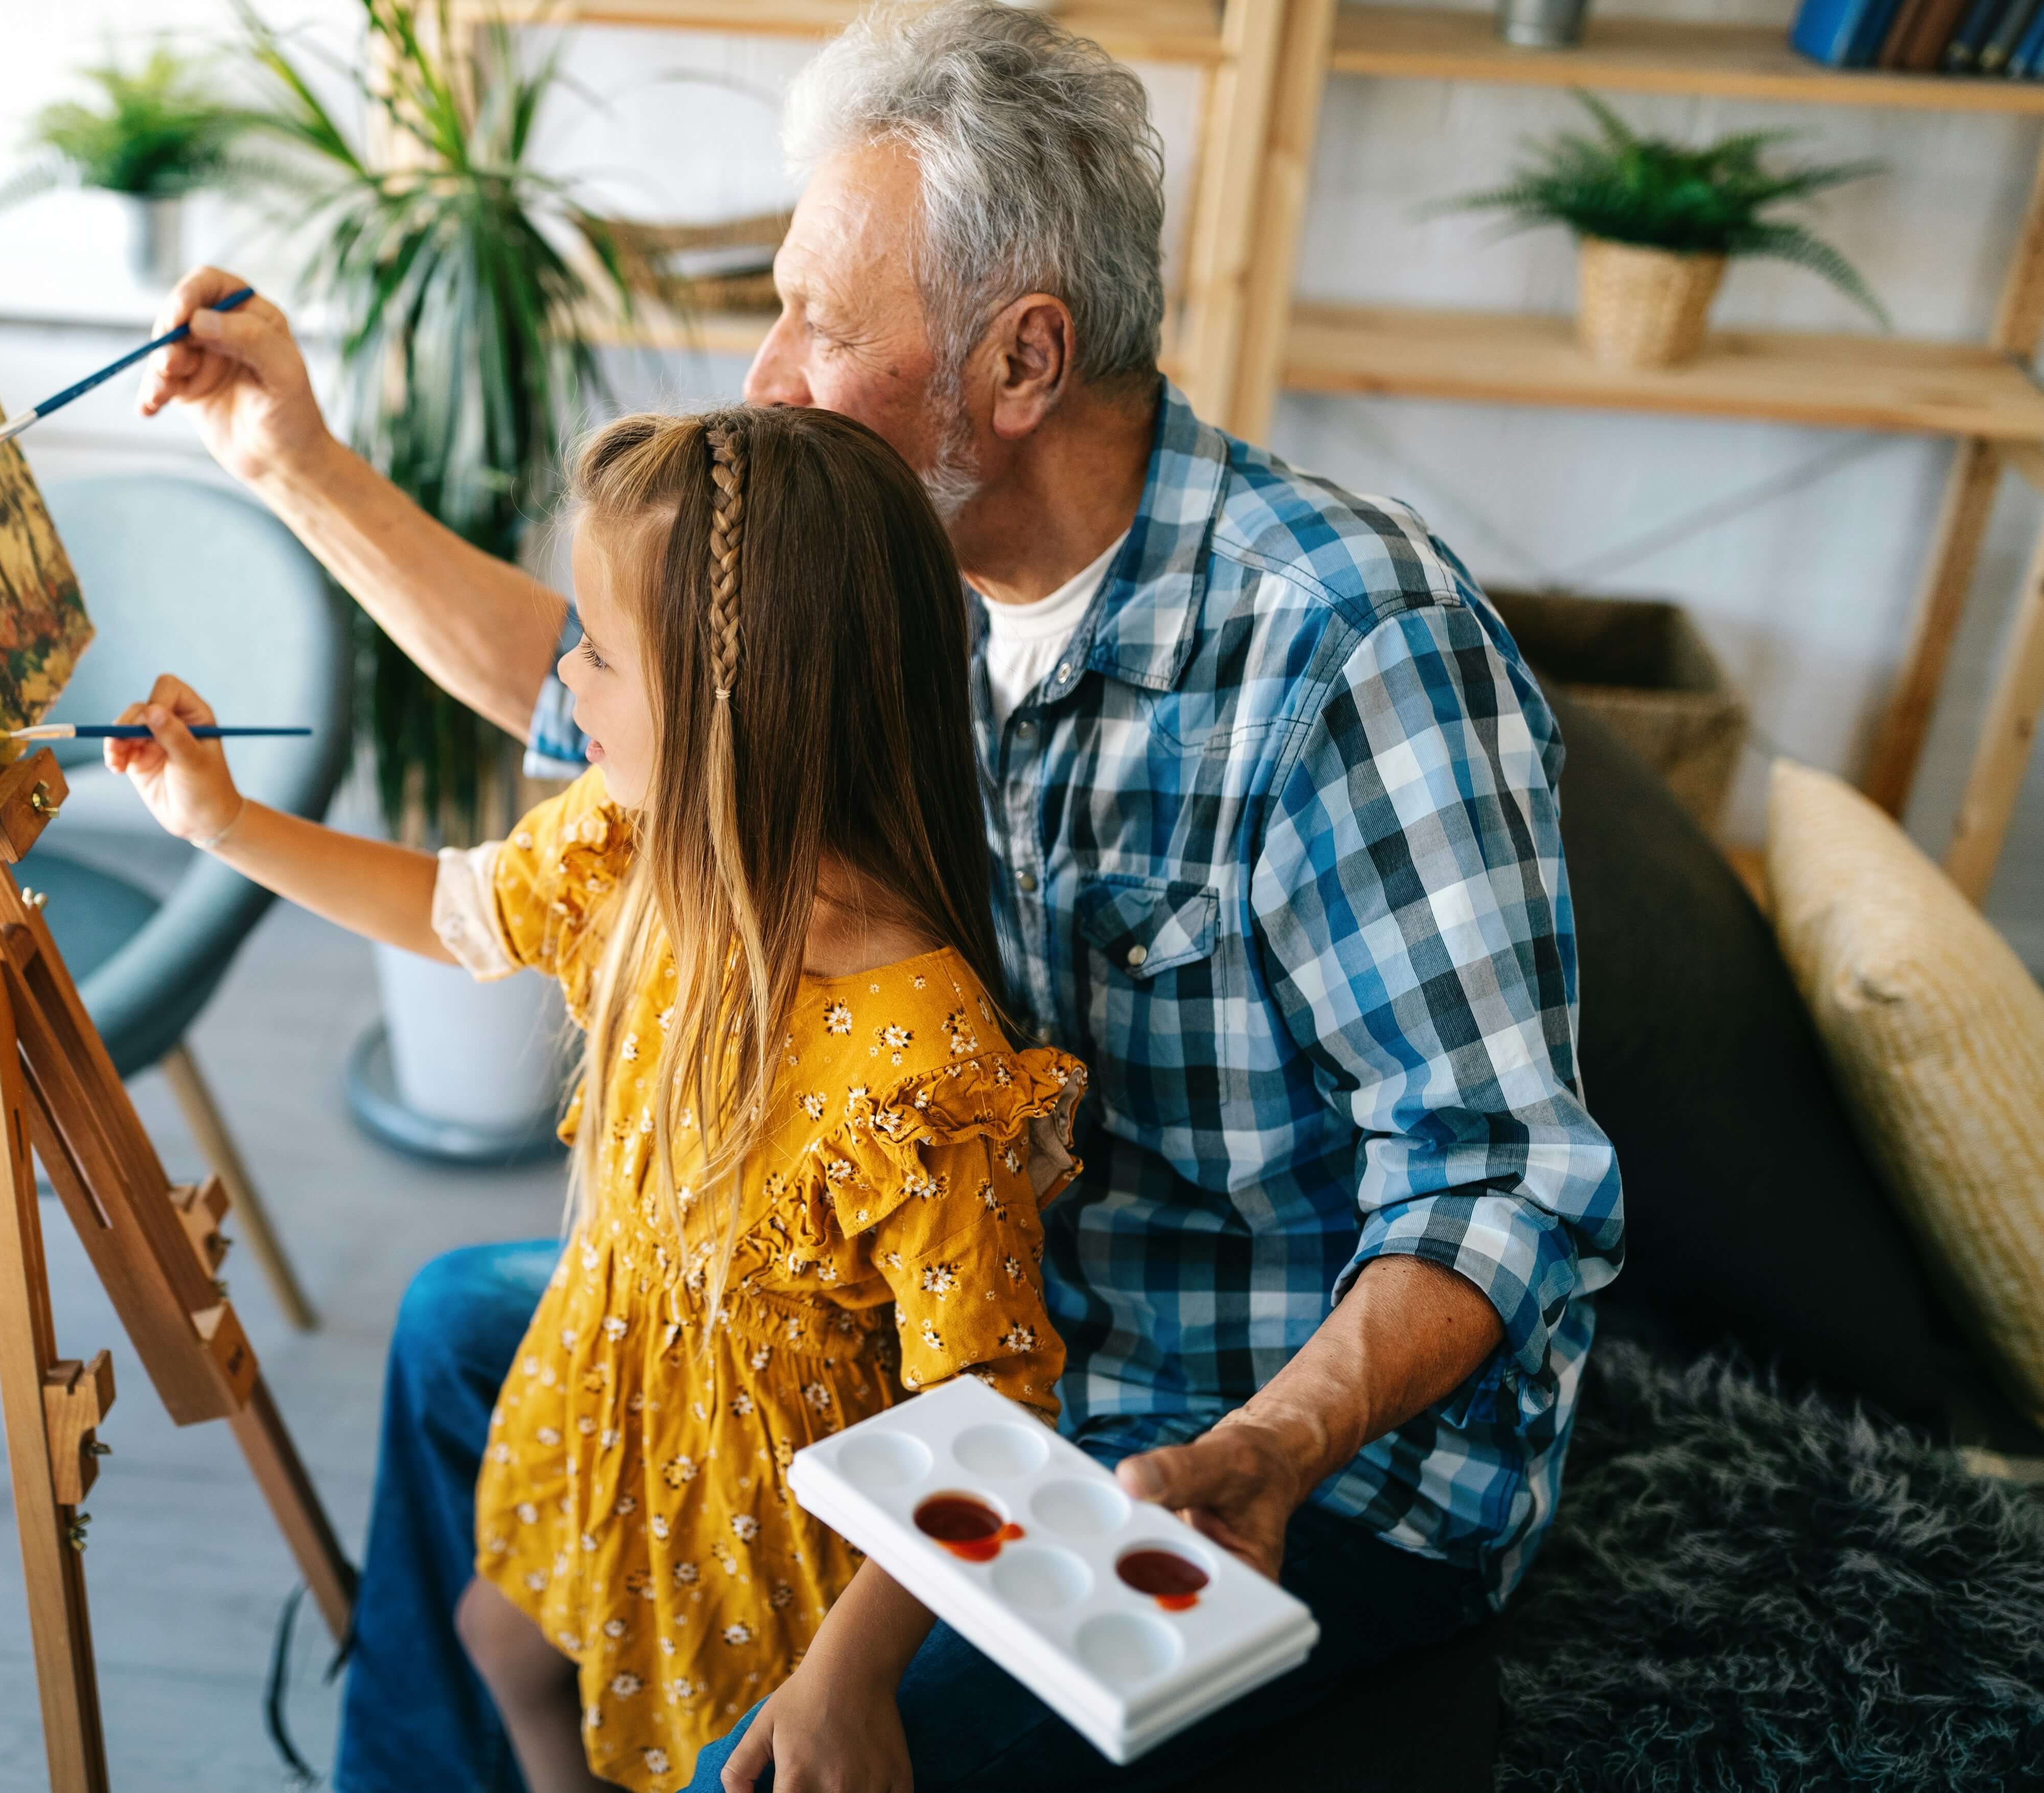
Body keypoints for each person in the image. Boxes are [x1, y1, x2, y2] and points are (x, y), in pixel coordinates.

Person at [136, 1, 1623, 1785]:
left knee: (753, 1762)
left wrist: (1278, 1442)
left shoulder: (1342, 649)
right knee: (465, 1331)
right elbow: (602, 688)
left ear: (1021, 361)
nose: (765, 373)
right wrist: (288, 459)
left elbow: (1498, 1175)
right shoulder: (883, 584)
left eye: (823, 326)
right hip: (905, 1337)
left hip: (1224, 1457)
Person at [105, 405, 1087, 1792]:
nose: (562, 674)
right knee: (498, 1641)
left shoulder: (919, 1073)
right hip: (605, 1406)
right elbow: (449, 907)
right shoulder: (627, 852)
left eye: (599, 651)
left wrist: (851, 1676)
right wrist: (223, 826)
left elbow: (986, 1412)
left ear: (733, 706)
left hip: (772, 1559)